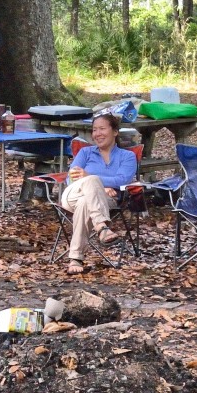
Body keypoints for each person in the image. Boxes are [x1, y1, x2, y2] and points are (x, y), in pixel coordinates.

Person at [61, 111, 137, 275]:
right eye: (94, 130)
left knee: (85, 201)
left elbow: (123, 179)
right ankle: (102, 227)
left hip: (107, 201)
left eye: (102, 129)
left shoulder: (128, 156)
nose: (97, 134)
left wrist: (93, 181)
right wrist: (98, 186)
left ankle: (75, 258)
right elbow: (71, 178)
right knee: (92, 182)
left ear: (115, 131)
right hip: (72, 195)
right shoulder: (85, 153)